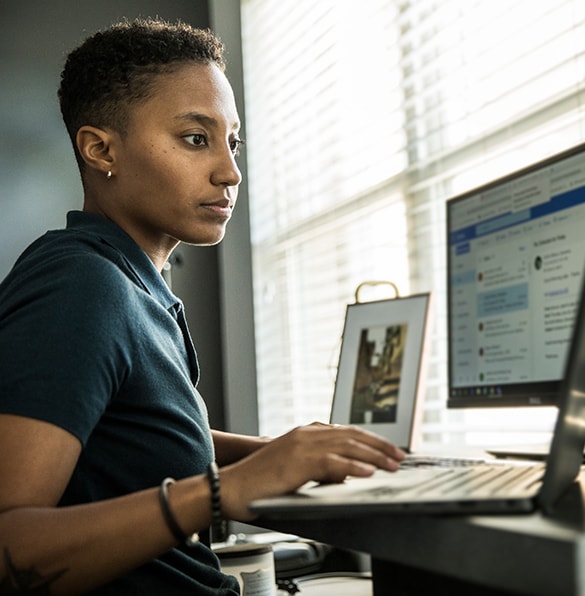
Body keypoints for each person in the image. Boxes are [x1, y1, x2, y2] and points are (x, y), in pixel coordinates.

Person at [0, 17, 405, 595]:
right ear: (99, 149)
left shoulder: (132, 283)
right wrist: (217, 493)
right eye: (196, 138)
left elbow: (126, 433)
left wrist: (280, 453)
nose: (230, 171)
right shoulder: (82, 286)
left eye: (232, 141)